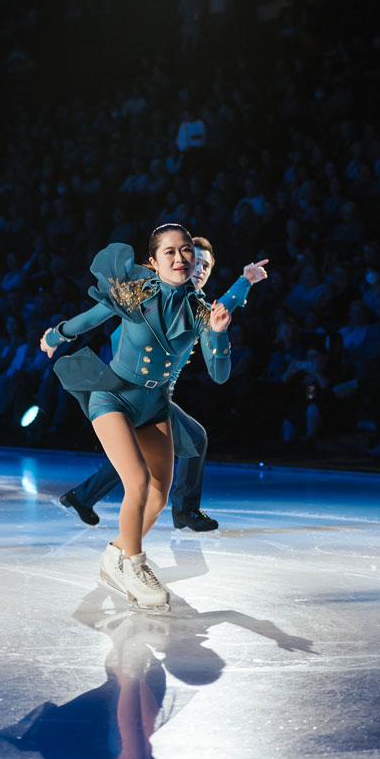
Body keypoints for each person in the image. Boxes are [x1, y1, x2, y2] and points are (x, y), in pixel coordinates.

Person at [40, 225, 234, 612]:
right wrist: (56, 334)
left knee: (160, 494)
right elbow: (92, 317)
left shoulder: (201, 311)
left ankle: (115, 555)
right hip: (113, 394)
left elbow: (219, 373)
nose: (181, 259)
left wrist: (219, 334)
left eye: (186, 252)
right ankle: (134, 565)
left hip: (155, 405)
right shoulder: (134, 292)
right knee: (139, 481)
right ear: (153, 261)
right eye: (170, 253)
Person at [58, 236, 268, 532]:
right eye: (194, 260)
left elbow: (218, 313)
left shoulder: (199, 309)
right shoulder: (146, 294)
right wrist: (58, 334)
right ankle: (181, 511)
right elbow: (99, 317)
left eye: (205, 265)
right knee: (183, 442)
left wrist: (245, 281)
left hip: (157, 394)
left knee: (160, 447)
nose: (198, 269)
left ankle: (84, 497)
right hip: (126, 388)